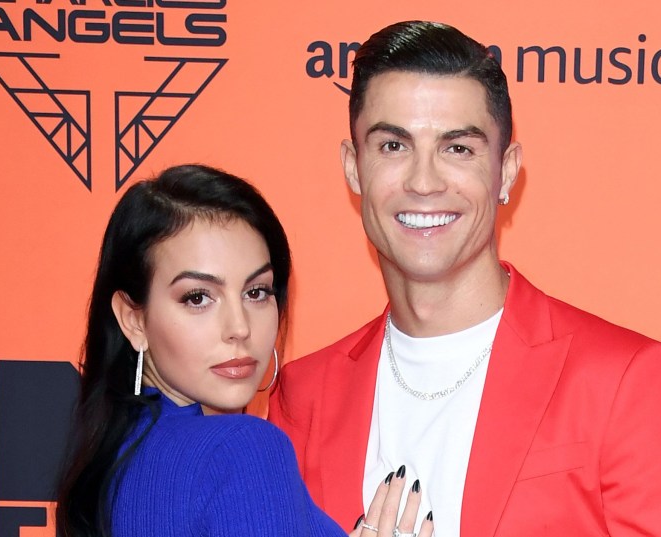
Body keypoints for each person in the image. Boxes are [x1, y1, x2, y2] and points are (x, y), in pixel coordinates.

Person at [269, 21, 661, 537]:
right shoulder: (301, 397)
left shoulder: (622, 380)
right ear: (354, 168)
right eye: (393, 146)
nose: (423, 181)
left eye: (457, 148)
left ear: (506, 171)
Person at [55, 164, 433, 537]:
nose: (239, 328)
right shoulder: (240, 450)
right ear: (133, 319)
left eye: (256, 292)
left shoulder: (110, 469)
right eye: (198, 297)